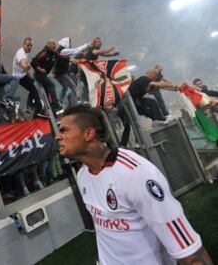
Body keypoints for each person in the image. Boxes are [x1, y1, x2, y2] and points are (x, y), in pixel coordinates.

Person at [55, 104, 213, 265]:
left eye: (64, 130)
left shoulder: (134, 173)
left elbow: (191, 253)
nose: (57, 137)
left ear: (89, 133)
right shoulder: (83, 175)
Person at [12, 37, 48, 118]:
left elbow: (23, 68)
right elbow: (24, 65)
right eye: (28, 45)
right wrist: (28, 66)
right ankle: (39, 111)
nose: (29, 47)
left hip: (22, 75)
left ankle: (30, 106)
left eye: (31, 45)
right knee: (35, 91)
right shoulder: (21, 53)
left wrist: (29, 75)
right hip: (19, 77)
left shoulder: (25, 52)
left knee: (33, 88)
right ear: (24, 45)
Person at [53, 37, 90, 106]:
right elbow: (75, 51)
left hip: (59, 73)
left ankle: (60, 101)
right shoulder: (63, 51)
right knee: (73, 87)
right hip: (62, 73)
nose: (70, 45)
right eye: (69, 43)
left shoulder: (60, 51)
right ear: (66, 43)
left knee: (65, 87)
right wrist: (86, 45)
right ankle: (74, 104)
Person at [31, 39, 61, 111]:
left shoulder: (53, 53)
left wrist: (71, 59)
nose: (55, 45)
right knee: (51, 85)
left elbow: (61, 57)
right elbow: (33, 62)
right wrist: (41, 69)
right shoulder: (44, 52)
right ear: (48, 44)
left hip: (43, 75)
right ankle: (55, 104)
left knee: (47, 90)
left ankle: (46, 107)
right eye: (53, 44)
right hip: (38, 75)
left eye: (55, 44)